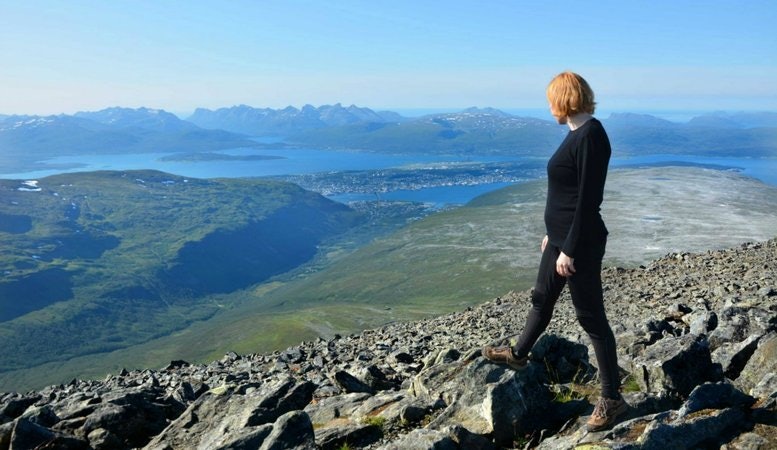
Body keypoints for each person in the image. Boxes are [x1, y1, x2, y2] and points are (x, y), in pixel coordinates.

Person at [482, 71, 627, 431]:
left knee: (591, 318)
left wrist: (570, 250)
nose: (548, 106)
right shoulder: (576, 134)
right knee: (541, 297)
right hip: (561, 240)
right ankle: (517, 355)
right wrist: (554, 236)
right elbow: (566, 195)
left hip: (580, 244)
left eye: (551, 99)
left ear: (565, 99)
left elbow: (588, 201)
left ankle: (612, 399)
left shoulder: (591, 136)